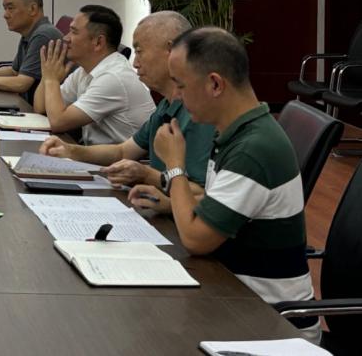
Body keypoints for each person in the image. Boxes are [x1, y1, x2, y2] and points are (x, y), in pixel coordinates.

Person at [128, 27, 319, 342]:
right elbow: (215, 209)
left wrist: (175, 166)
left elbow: (196, 240)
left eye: (181, 85)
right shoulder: (237, 132)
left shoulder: (253, 149)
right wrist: (171, 203)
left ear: (215, 84)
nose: (177, 96)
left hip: (272, 323)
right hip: (236, 297)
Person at [41, 11, 214, 197]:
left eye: (139, 52)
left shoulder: (199, 113)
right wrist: (71, 150)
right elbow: (122, 151)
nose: (135, 63)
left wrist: (147, 175)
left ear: (171, 51)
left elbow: (202, 193)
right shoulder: (166, 105)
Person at [34, 4, 155, 145]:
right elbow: (40, 108)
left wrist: (51, 80)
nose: (66, 38)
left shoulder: (113, 78)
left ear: (98, 42)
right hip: (97, 153)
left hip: (124, 157)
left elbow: (58, 122)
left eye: (74, 32)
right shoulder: (84, 70)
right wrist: (47, 75)